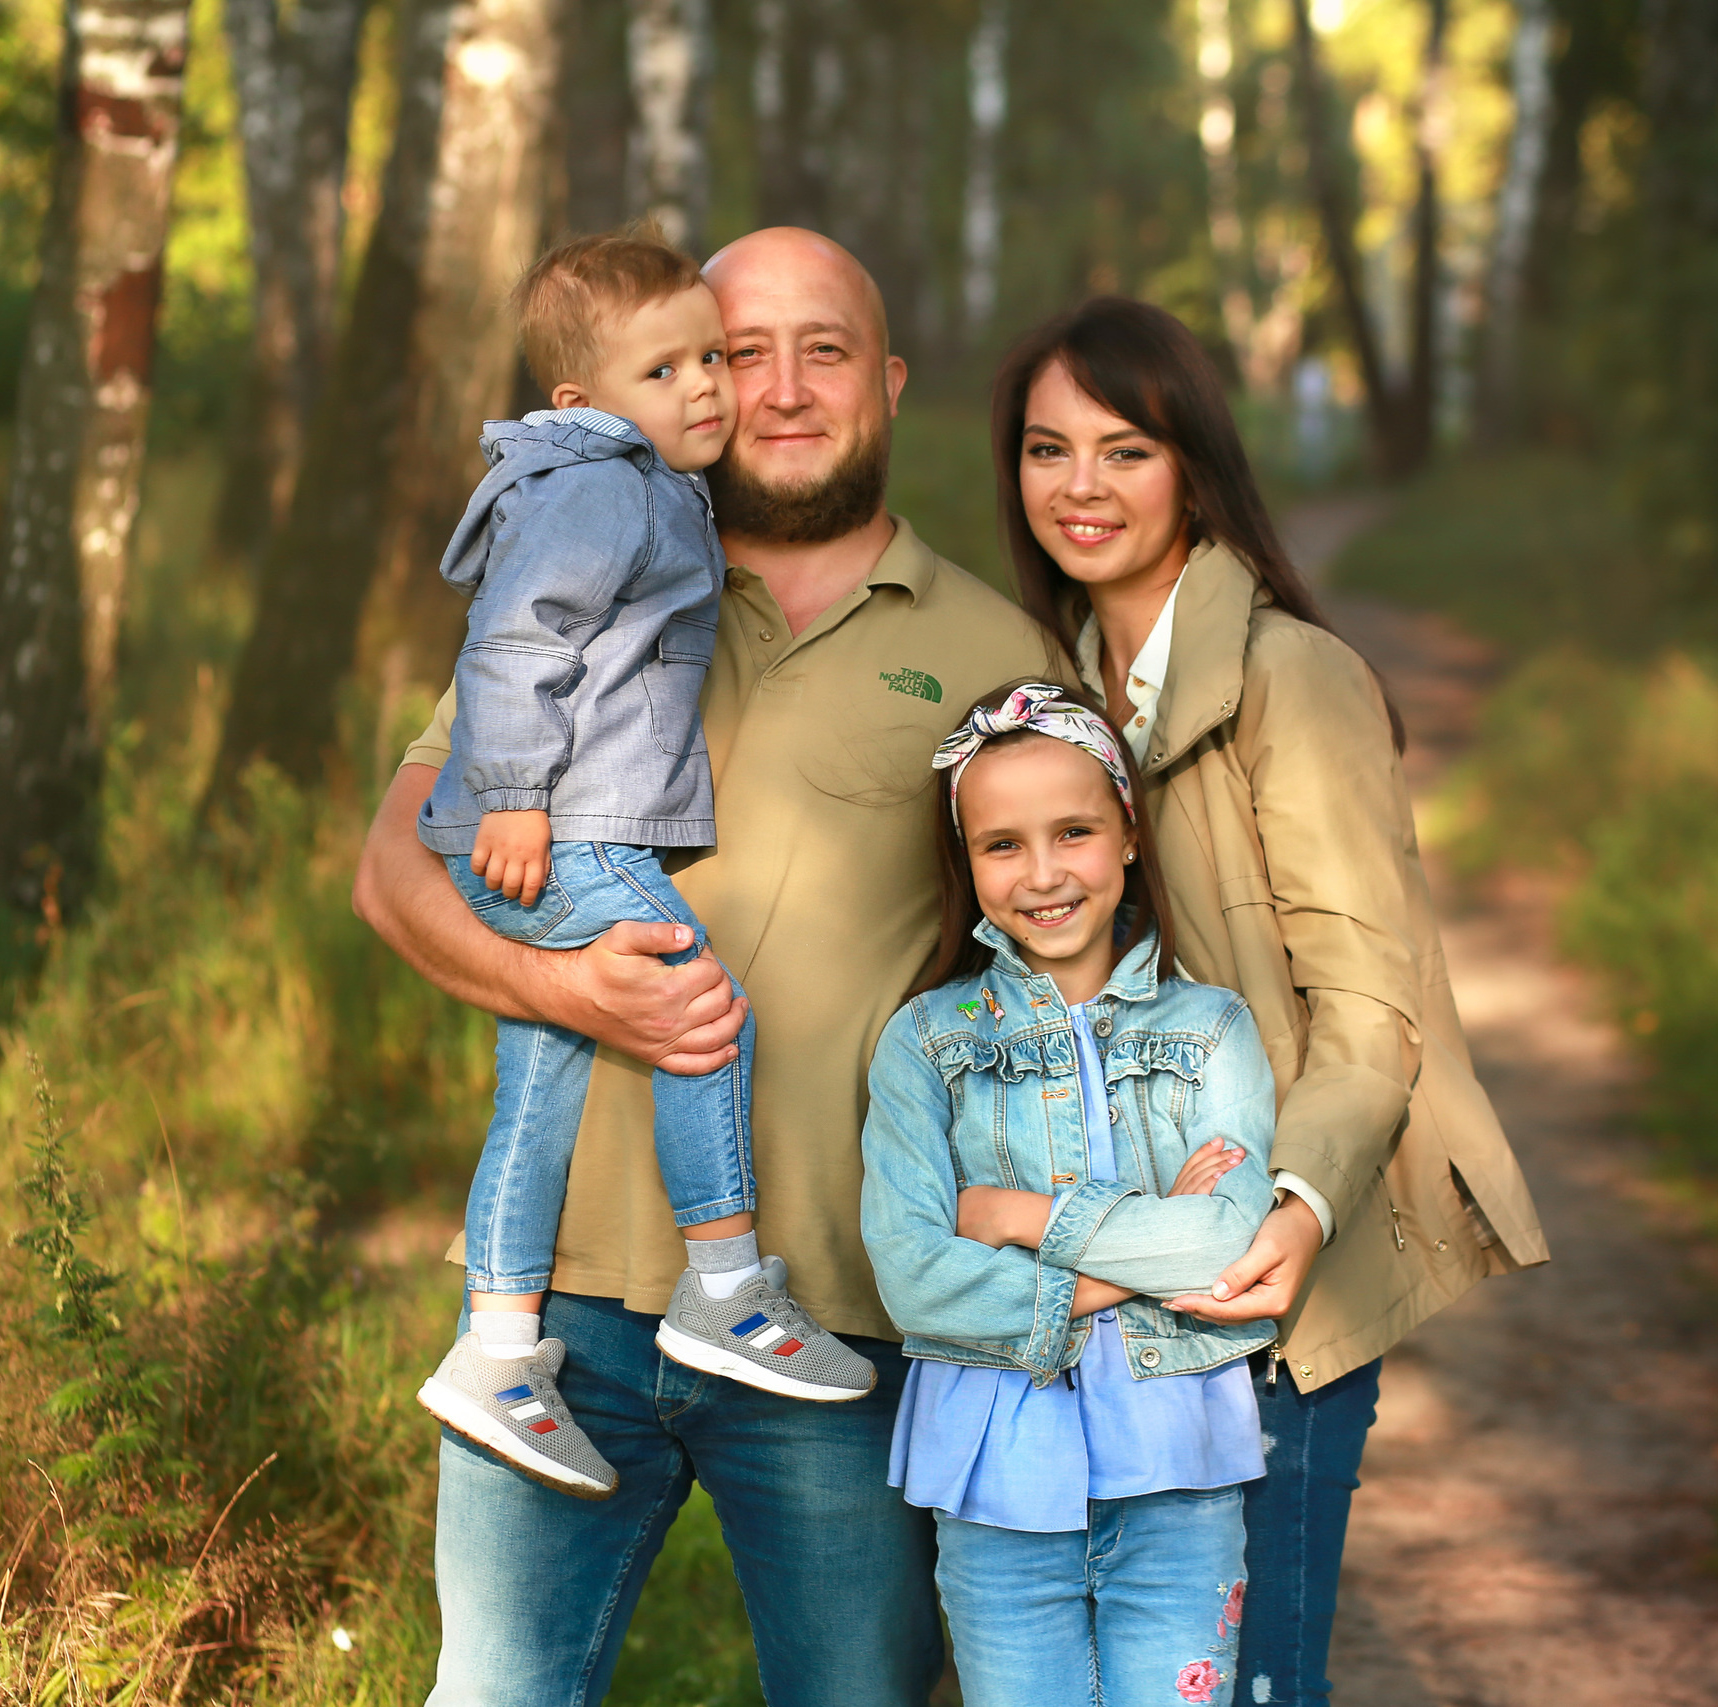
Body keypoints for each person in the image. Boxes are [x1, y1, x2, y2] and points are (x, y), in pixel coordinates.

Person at [354, 227, 1065, 1705]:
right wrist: (565, 988)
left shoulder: (1003, 656)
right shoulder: (594, 577)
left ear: (889, 380)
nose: (785, 387)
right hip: (561, 1314)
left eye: (827, 349)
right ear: (677, 379)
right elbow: (394, 866)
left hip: (843, 1318)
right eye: (743, 352)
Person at [987, 296, 1553, 1706]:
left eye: (1123, 450)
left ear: (1193, 464)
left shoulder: (1293, 680)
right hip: (1108, 1278)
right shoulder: (1055, 697)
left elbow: (1373, 1009)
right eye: (1048, 449)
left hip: (1268, 1284)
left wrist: (1292, 1218)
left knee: (1240, 1679)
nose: (1080, 487)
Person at [414, 229, 874, 1509]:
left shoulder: (637, 477)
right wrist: (514, 802)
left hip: (563, 828)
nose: (709, 388)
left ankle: (497, 1348)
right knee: (696, 1009)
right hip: (568, 835)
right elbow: (513, 643)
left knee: (541, 1082)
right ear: (583, 403)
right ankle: (723, 1284)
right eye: (665, 371)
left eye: (708, 358)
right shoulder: (606, 485)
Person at [861, 682, 1274, 1707]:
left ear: (1127, 834)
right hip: (994, 1479)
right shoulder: (926, 1043)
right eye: (1000, 845)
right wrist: (1131, 1256)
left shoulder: (1211, 1031)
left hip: (1178, 1464)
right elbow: (914, 1278)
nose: (1041, 874)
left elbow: (1229, 1241)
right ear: (965, 863)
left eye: (1074, 831)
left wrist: (1017, 1221)